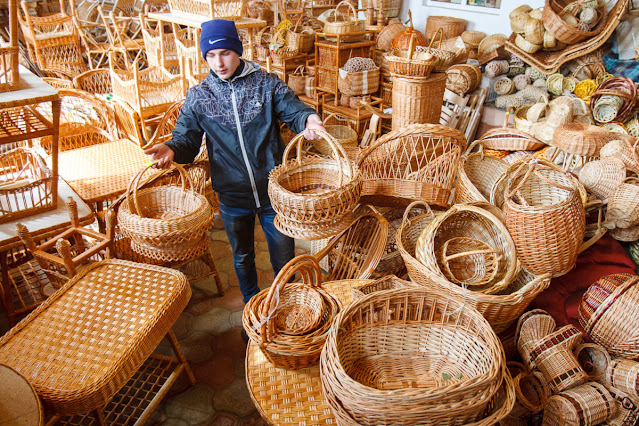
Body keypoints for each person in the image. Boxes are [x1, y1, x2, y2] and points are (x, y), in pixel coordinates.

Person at [145, 19, 325, 303]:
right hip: (232, 196)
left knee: (284, 256)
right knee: (242, 256)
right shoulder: (199, 97)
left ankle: (287, 304)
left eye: (225, 53)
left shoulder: (266, 84)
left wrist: (309, 119)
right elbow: (186, 140)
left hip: (273, 193)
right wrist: (171, 148)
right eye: (210, 55)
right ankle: (251, 302)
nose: (219, 62)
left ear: (237, 50)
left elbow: (294, 110)